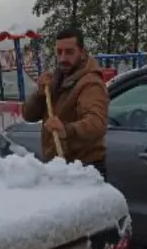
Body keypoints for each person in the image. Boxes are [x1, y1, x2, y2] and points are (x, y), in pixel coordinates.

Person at [21, 27, 109, 179]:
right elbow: (28, 115)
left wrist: (66, 130)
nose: (62, 58)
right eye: (59, 52)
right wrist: (40, 94)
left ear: (82, 53)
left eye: (69, 52)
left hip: (82, 169)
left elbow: (97, 123)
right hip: (59, 165)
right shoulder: (56, 80)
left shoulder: (90, 84)